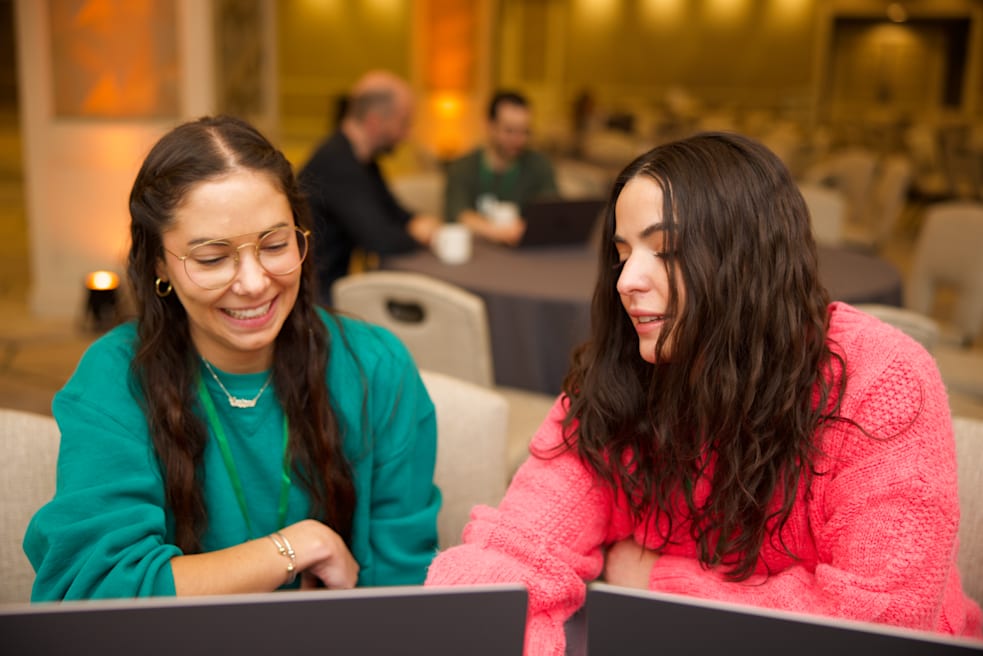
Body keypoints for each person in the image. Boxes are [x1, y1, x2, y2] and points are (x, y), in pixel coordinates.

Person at [426, 132, 982, 653]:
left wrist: (656, 579)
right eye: (622, 253)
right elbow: (516, 553)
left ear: (747, 259)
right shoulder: (618, 377)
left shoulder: (878, 380)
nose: (625, 281)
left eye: (663, 250)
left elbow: (878, 628)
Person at [24, 115, 440, 600]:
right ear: (159, 263)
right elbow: (92, 590)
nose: (254, 283)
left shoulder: (375, 369)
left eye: (275, 245)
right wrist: (293, 546)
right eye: (211, 258)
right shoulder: (116, 378)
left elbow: (405, 590)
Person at [298, 71, 441, 304]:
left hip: (332, 287)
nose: (407, 134)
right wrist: (420, 236)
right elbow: (379, 240)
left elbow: (393, 211)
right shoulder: (337, 164)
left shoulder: (364, 161)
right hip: (314, 300)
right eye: (404, 123)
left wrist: (418, 222)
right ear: (375, 122)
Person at [444, 90, 558, 246]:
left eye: (525, 132)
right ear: (489, 126)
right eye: (509, 131)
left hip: (526, 253)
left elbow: (552, 210)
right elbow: (458, 213)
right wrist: (495, 231)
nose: (518, 140)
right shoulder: (463, 167)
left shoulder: (539, 164)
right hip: (479, 252)